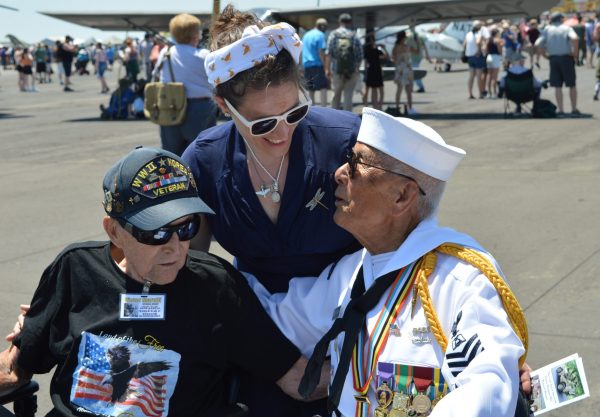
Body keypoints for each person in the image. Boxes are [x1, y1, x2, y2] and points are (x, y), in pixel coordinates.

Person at [0, 146, 325, 417]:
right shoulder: (75, 269)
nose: (175, 247)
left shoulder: (215, 286)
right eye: (155, 232)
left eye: (186, 228)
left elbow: (296, 378)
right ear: (114, 231)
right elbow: (17, 367)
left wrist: (373, 359)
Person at [245, 107, 527, 417]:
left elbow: (486, 389)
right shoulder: (352, 273)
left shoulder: (460, 280)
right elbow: (278, 320)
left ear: (401, 197)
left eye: (355, 163)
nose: (339, 172)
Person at [182, 5, 362, 416]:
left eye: (295, 112)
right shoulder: (204, 161)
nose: (282, 133)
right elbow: (189, 270)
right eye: (262, 124)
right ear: (224, 107)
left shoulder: (346, 139)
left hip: (352, 324)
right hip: (255, 330)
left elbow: (409, 247)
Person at [154, 13, 217, 156]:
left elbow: (155, 76)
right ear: (196, 35)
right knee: (202, 153)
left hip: (170, 107)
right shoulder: (204, 55)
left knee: (171, 155)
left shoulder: (166, 53)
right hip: (200, 109)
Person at [535, 12, 579, 116]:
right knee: (571, 84)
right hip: (566, 58)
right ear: (561, 19)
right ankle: (573, 109)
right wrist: (575, 53)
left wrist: (544, 55)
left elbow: (537, 43)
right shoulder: (566, 28)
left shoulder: (547, 29)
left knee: (557, 86)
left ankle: (561, 110)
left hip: (553, 59)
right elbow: (575, 38)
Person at [325, 13, 363, 111]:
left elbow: (328, 53)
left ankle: (333, 120)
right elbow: (359, 55)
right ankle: (347, 121)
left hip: (337, 70)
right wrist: (356, 69)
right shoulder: (354, 35)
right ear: (350, 22)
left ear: (340, 21)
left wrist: (327, 69)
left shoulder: (333, 34)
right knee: (348, 97)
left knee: (335, 96)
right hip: (351, 71)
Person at [302, 18, 329, 107]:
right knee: (323, 87)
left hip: (306, 65)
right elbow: (321, 52)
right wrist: (325, 67)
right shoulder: (320, 35)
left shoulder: (306, 35)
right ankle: (324, 109)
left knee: (311, 89)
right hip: (317, 64)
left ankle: (311, 110)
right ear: (322, 26)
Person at [362, 31, 388, 110]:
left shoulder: (366, 51)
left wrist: (366, 73)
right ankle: (378, 107)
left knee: (370, 90)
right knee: (380, 90)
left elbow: (365, 64)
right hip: (377, 70)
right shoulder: (376, 51)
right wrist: (384, 48)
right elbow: (386, 57)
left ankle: (366, 106)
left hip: (370, 71)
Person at [392, 30, 415, 115]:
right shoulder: (406, 46)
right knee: (407, 90)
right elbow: (416, 51)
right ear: (403, 37)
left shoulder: (396, 47)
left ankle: (398, 107)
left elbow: (394, 59)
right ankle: (410, 108)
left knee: (401, 90)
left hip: (401, 69)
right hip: (406, 69)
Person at [464, 21, 485, 99]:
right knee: (479, 76)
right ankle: (480, 93)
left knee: (471, 76)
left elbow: (464, 44)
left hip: (470, 56)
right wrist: (479, 50)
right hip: (477, 56)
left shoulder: (468, 34)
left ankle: (470, 93)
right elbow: (478, 42)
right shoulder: (478, 34)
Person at [486, 28, 504, 98]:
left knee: (489, 76)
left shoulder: (489, 40)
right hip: (495, 57)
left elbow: (486, 50)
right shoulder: (498, 40)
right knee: (495, 77)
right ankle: (494, 93)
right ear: (496, 33)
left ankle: (489, 93)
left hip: (489, 57)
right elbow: (500, 51)